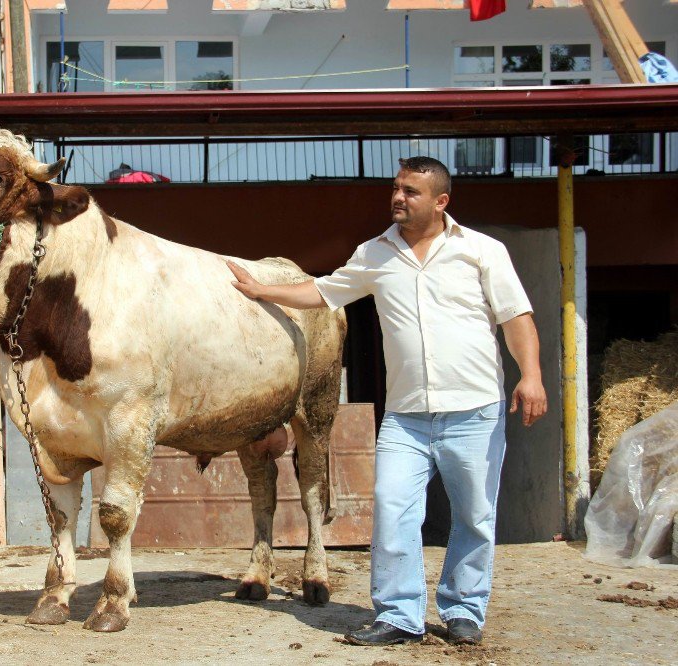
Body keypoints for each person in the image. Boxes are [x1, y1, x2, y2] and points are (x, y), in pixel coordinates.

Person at [227, 156, 547, 647]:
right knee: (393, 510)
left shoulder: (482, 251)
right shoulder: (375, 253)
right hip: (407, 417)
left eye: (411, 191)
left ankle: (463, 610)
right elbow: (324, 291)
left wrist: (532, 377)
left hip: (474, 411)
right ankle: (399, 614)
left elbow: (515, 317)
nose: (398, 197)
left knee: (475, 517)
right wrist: (260, 289)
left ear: (440, 201)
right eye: (396, 188)